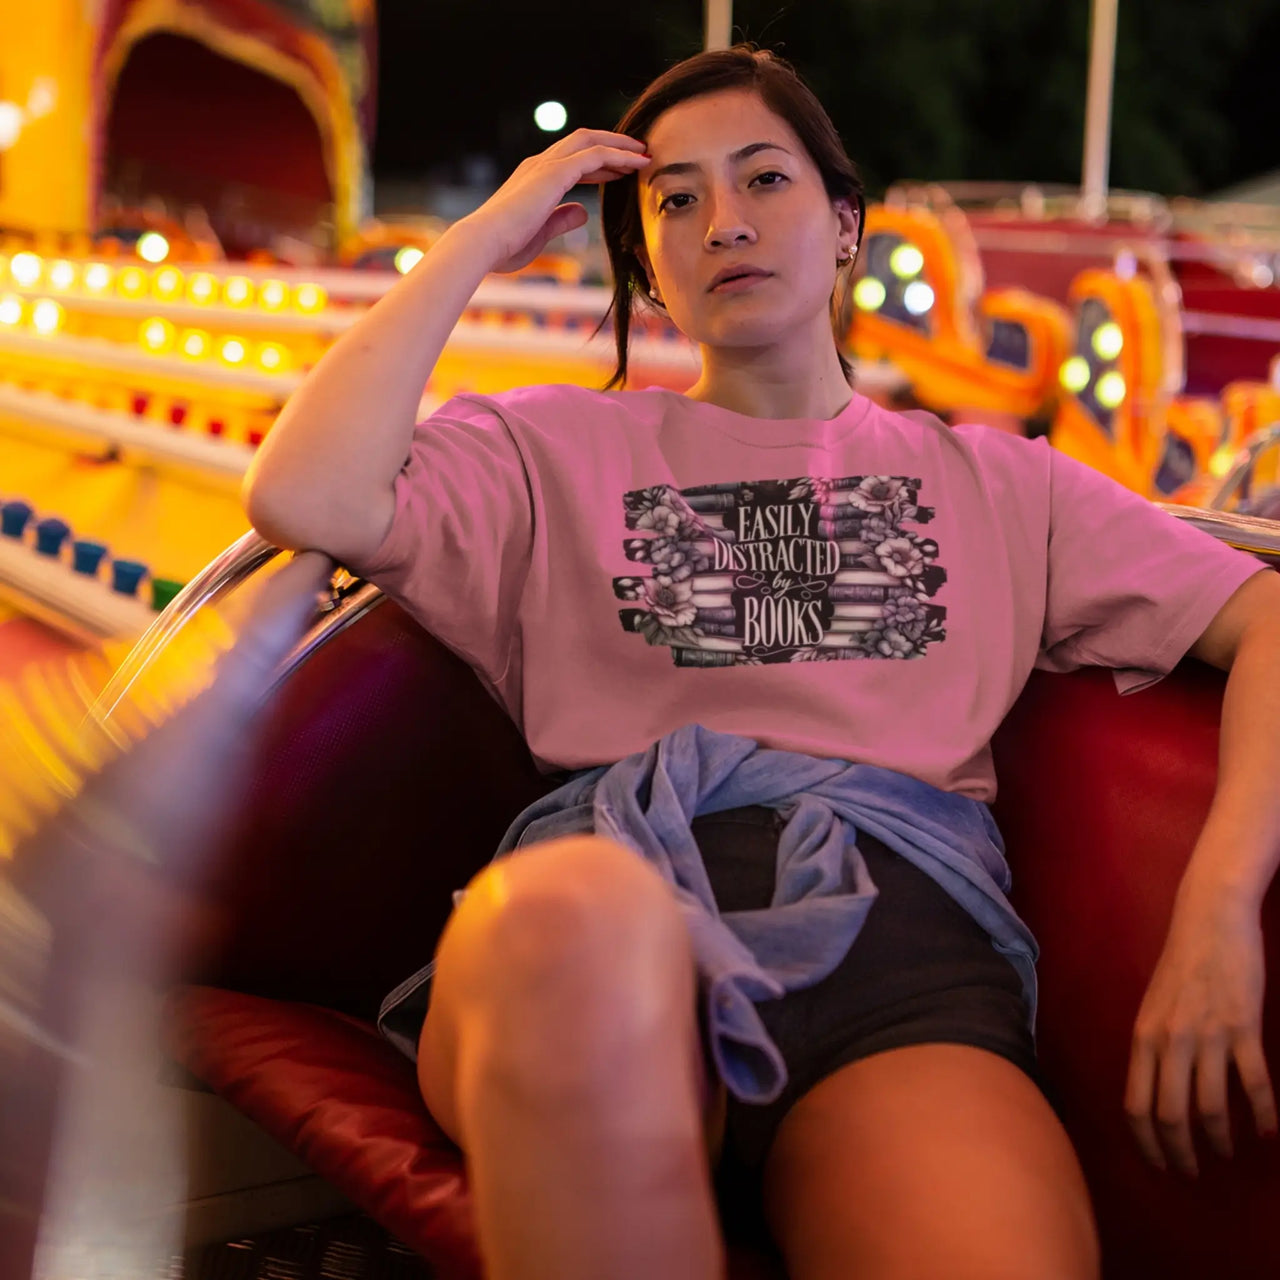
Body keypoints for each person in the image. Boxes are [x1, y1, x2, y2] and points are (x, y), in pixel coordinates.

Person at [243, 43, 1280, 1280]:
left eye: (762, 181)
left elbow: (1262, 615)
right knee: (573, 928)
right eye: (675, 200)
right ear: (651, 266)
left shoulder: (996, 482)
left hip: (895, 960)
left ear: (845, 226)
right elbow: (302, 491)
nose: (721, 222)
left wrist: (1216, 908)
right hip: (609, 910)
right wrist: (477, 238)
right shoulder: (547, 445)